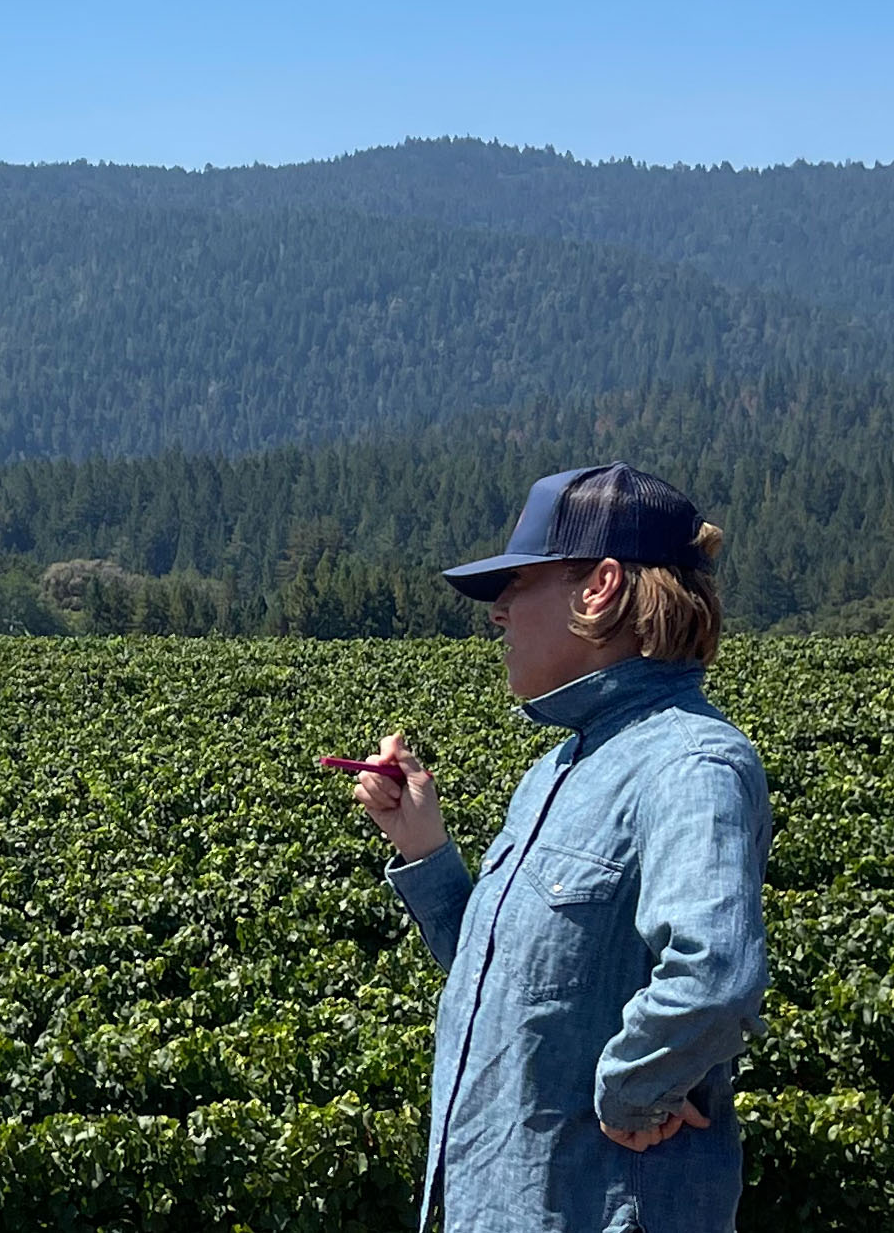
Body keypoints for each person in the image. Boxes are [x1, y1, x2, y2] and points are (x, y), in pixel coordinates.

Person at [352, 462, 772, 1233]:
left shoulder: (689, 765)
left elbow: (715, 973)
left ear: (600, 587)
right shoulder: (561, 766)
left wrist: (632, 1089)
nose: (498, 614)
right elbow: (519, 986)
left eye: (518, 586)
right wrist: (425, 849)